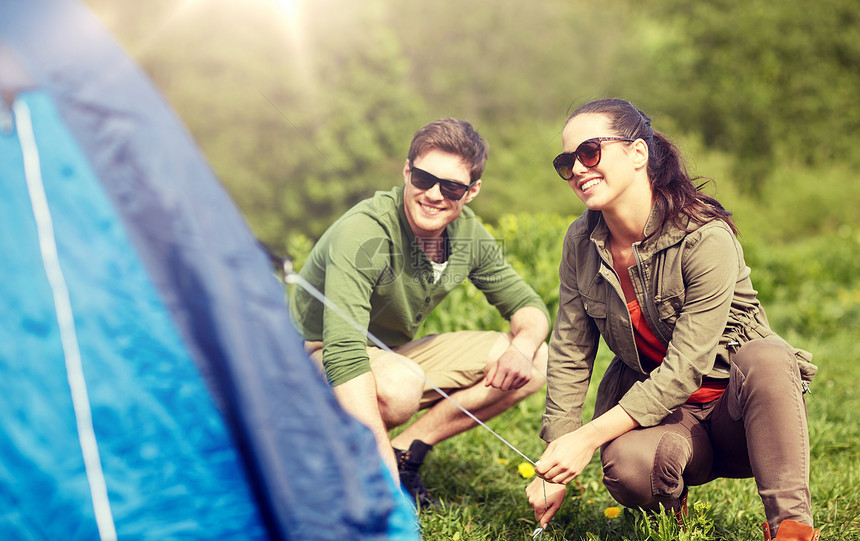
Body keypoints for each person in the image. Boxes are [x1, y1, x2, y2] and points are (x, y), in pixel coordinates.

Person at [526, 99, 820, 540]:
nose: (578, 169)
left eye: (589, 152)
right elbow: (570, 351)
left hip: (741, 417)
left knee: (770, 357)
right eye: (566, 162)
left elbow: (685, 368)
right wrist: (554, 458)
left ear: (637, 153)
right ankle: (671, 507)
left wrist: (586, 438)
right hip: (668, 419)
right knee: (629, 469)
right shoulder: (579, 241)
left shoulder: (705, 236)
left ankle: (791, 528)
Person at [292, 117, 550, 508]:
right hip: (311, 360)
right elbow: (343, 352)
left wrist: (523, 345)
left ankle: (403, 452)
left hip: (386, 355)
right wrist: (384, 483)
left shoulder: (468, 234)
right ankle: (341, 467)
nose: (433, 194)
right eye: (424, 179)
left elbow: (528, 307)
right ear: (407, 171)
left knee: (536, 359)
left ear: (472, 191)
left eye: (451, 186)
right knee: (399, 388)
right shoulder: (364, 232)